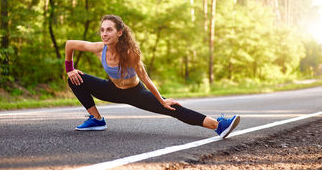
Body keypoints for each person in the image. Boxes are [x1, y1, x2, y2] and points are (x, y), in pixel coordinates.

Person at [65, 14, 240, 138]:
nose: (104, 33)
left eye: (109, 30)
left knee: (173, 109)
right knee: (75, 79)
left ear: (119, 32)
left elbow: (146, 79)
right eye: (102, 30)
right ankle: (96, 120)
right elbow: (70, 44)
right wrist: (70, 68)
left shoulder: (130, 53)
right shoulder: (98, 48)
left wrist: (162, 100)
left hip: (135, 92)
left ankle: (218, 126)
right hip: (112, 90)